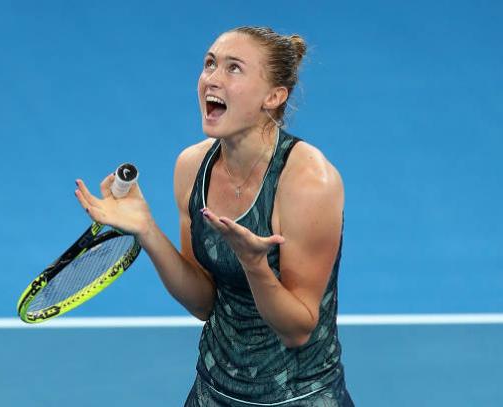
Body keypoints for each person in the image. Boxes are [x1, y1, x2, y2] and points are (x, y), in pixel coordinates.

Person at [75, 26, 354, 406]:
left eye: (234, 68)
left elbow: (298, 330)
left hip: (300, 397)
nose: (212, 79)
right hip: (213, 391)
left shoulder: (308, 182)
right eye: (210, 64)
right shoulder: (193, 167)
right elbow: (203, 301)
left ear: (273, 96)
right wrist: (147, 230)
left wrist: (255, 264)